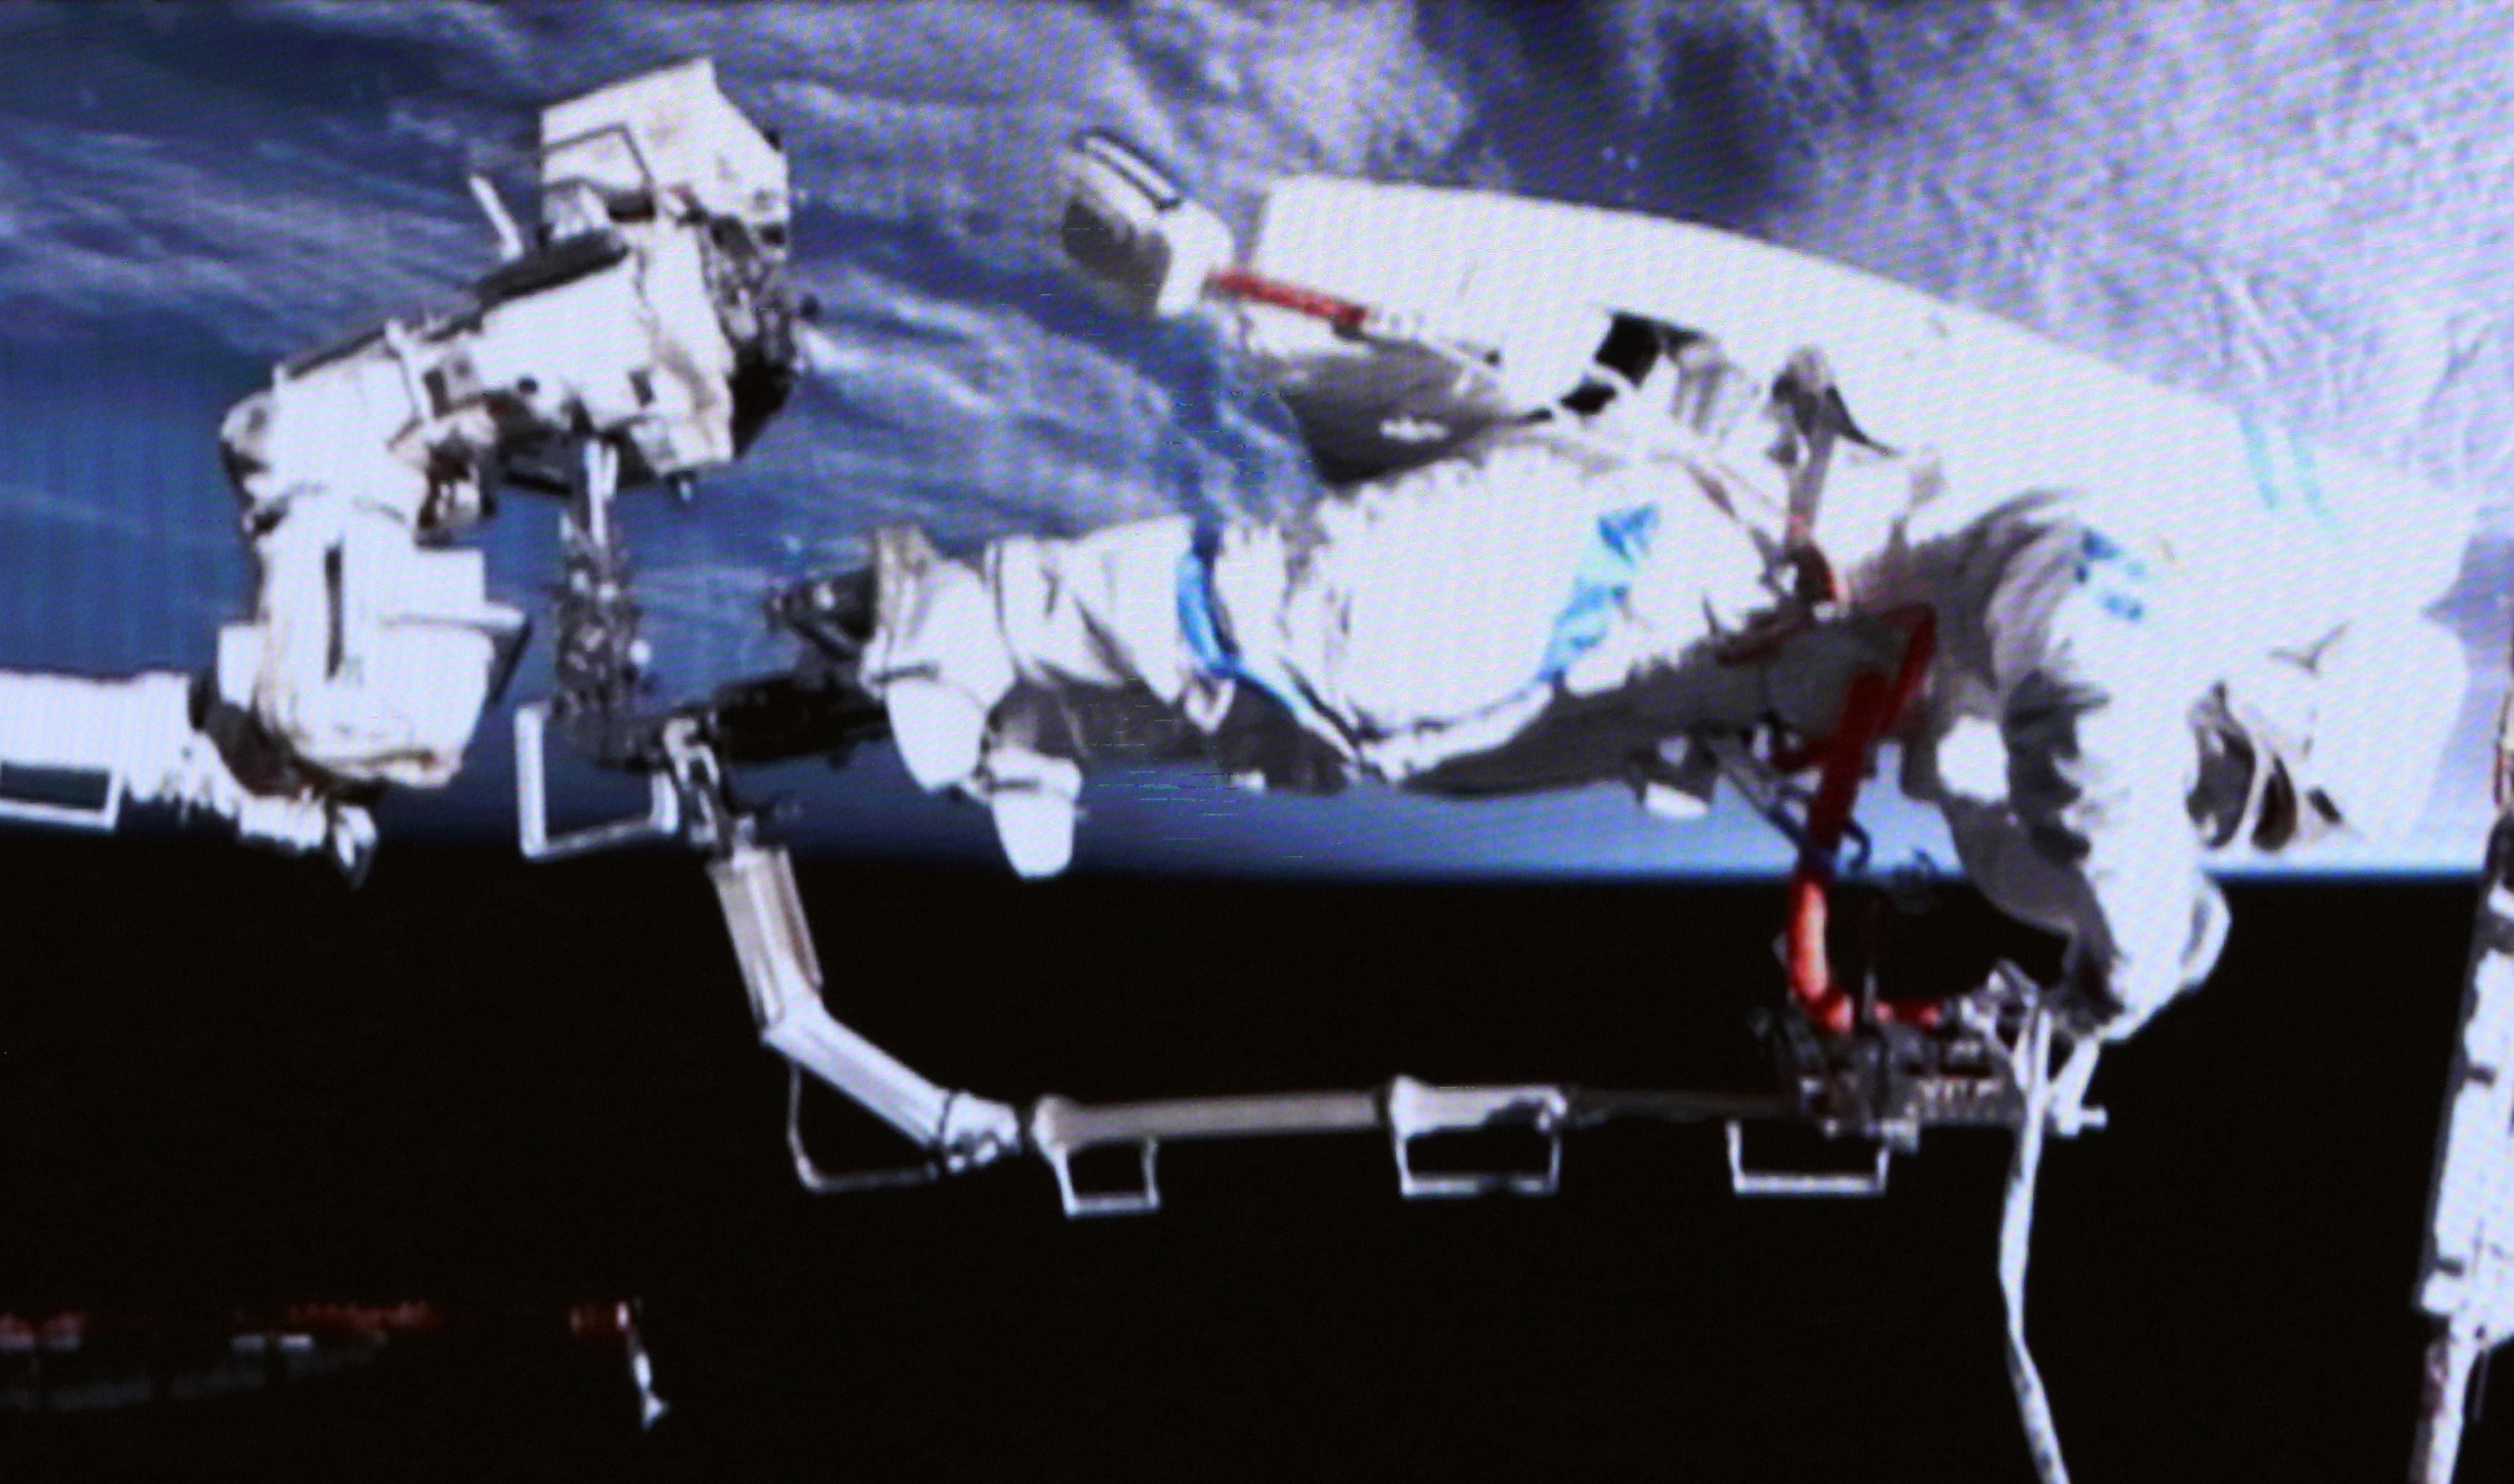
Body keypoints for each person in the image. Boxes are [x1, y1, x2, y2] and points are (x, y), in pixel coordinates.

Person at [847, 261, 2470, 1042]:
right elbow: (2086, 710)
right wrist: (2146, 913)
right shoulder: (2161, 573)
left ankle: (1044, 721)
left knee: (1373, 742)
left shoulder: (2126, 706)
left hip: (1711, 670)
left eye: (2255, 826)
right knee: (1338, 619)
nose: (2221, 806)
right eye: (2251, 783)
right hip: (1695, 519)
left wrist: (2101, 946)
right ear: (2282, 684)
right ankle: (972, 615)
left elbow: (2000, 806)